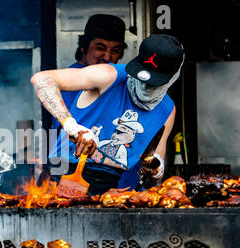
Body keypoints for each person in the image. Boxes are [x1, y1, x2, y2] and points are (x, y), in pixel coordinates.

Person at [32, 34, 184, 195]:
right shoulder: (109, 75)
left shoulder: (167, 111)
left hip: (106, 191)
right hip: (59, 174)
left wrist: (154, 171)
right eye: (142, 78)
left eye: (153, 82)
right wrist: (71, 125)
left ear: (172, 77)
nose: (145, 86)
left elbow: (152, 173)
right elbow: (42, 79)